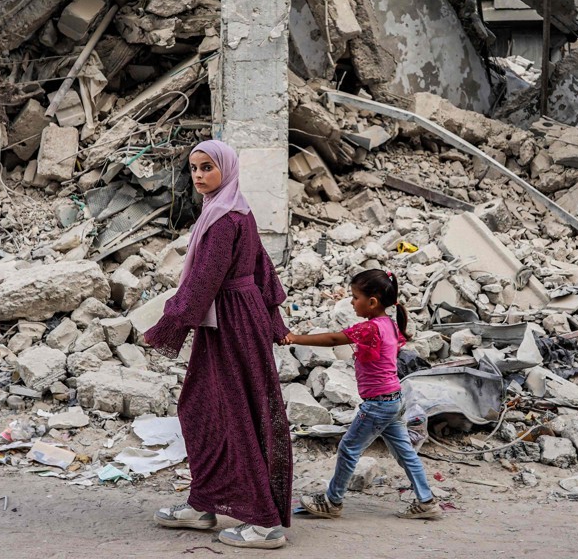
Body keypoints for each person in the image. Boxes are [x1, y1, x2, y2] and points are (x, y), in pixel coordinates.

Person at [145, 140, 293, 550]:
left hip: (229, 320)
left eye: (207, 167)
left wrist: (168, 324)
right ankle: (204, 503)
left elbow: (204, 282)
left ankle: (264, 523)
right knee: (207, 408)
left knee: (230, 414)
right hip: (235, 318)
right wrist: (272, 320)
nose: (198, 176)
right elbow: (264, 270)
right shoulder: (233, 209)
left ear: (224, 169)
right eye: (193, 168)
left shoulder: (225, 218)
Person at [283, 269, 442, 521]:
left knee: (348, 448)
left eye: (355, 297)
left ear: (372, 302)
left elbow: (335, 338)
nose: (351, 302)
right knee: (404, 453)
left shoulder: (370, 328)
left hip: (379, 404)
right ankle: (426, 500)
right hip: (394, 400)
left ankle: (332, 501)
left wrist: (294, 338)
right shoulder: (388, 323)